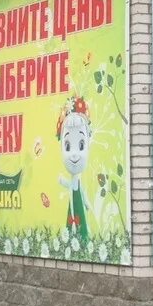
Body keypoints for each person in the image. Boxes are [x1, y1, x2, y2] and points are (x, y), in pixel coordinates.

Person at [57, 96, 92, 242]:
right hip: (73, 204)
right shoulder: (75, 181)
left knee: (78, 218)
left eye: (81, 145)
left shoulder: (77, 182)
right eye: (67, 146)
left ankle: (81, 238)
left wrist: (86, 202)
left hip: (77, 203)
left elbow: (79, 189)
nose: (74, 154)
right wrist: (62, 181)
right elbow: (72, 186)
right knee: (71, 218)